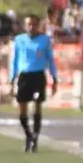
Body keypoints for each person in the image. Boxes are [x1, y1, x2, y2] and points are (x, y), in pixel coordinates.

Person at [10, 14, 58, 153]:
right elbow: (15, 60)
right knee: (22, 109)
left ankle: (35, 138)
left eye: (34, 24)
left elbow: (50, 60)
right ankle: (28, 135)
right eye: (29, 24)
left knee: (37, 107)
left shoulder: (44, 40)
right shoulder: (19, 40)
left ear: (38, 25)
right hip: (24, 76)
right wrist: (12, 78)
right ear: (25, 26)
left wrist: (54, 78)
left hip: (38, 76)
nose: (31, 27)